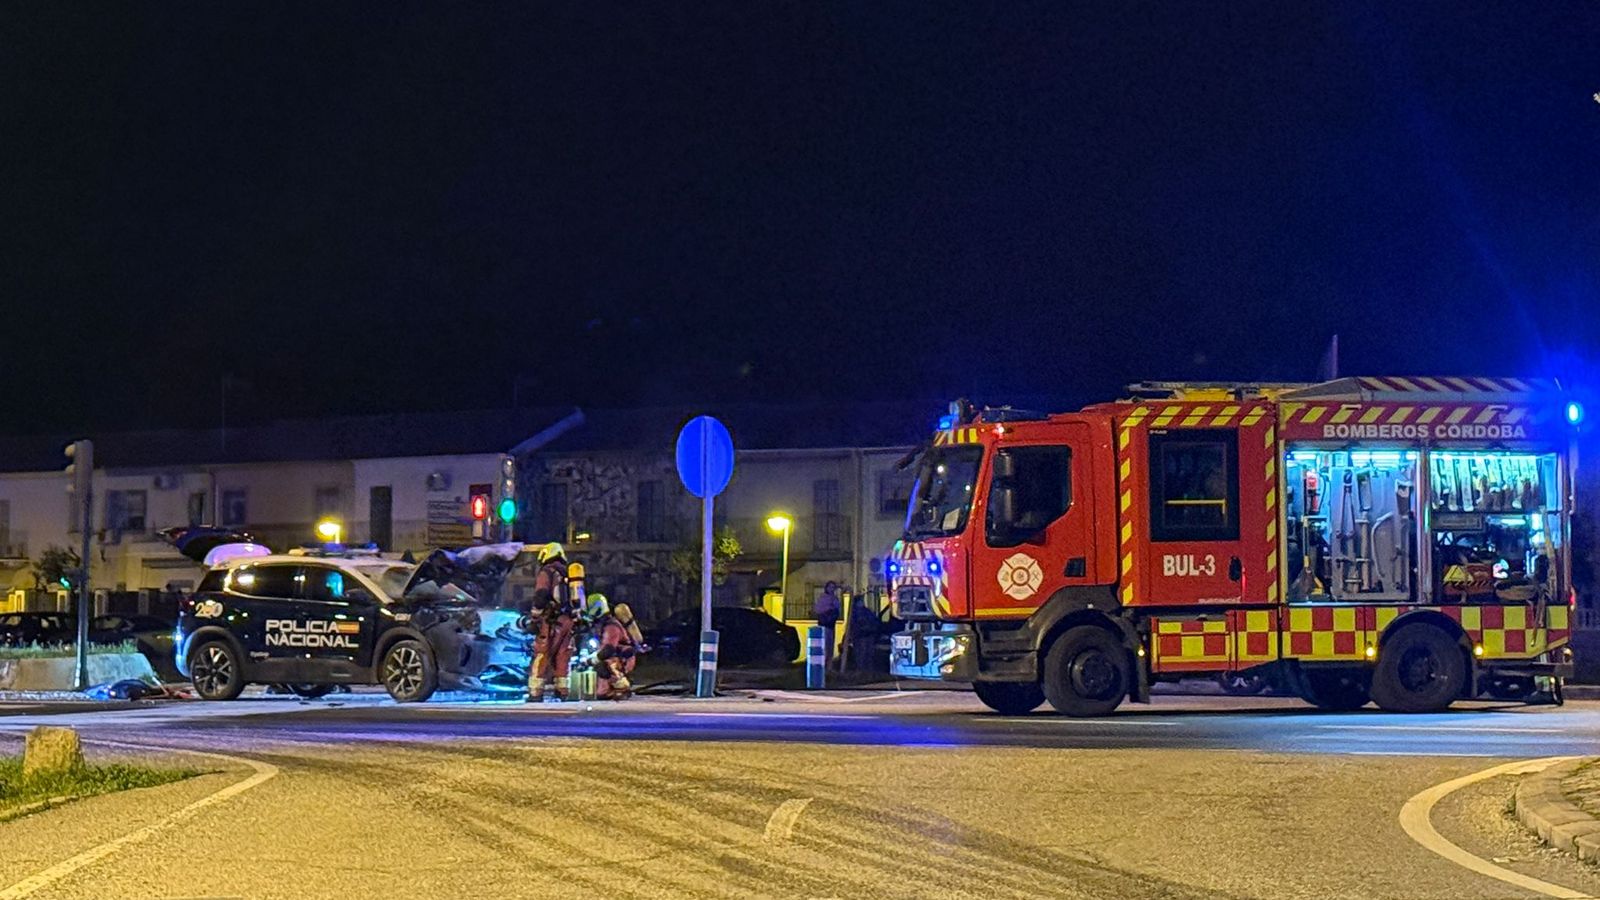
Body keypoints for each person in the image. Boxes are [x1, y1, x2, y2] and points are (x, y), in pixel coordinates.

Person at [526, 542, 577, 701]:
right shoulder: (569, 574)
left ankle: (536, 692)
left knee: (542, 653)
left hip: (551, 620)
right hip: (569, 620)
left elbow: (541, 595)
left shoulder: (547, 572)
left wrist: (535, 616)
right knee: (563, 655)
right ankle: (562, 691)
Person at [584, 592, 648, 700]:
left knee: (602, 666)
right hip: (613, 659)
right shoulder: (601, 625)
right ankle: (610, 689)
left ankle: (622, 686)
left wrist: (591, 660)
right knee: (601, 694)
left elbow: (608, 650)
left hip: (622, 659)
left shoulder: (611, 627)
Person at [846, 592, 879, 672]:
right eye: (861, 600)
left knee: (868, 655)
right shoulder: (854, 613)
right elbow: (853, 625)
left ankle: (868, 672)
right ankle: (862, 671)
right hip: (860, 636)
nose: (862, 602)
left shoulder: (866, 611)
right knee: (861, 655)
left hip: (867, 635)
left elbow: (874, 621)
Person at [814, 581, 842, 670]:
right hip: (824, 625)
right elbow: (818, 610)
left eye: (833, 587)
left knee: (830, 647)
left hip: (831, 625)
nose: (832, 589)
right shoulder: (823, 598)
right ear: (826, 588)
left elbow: (838, 609)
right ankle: (824, 666)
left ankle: (829, 666)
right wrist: (830, 607)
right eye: (830, 587)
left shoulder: (835, 598)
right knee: (825, 647)